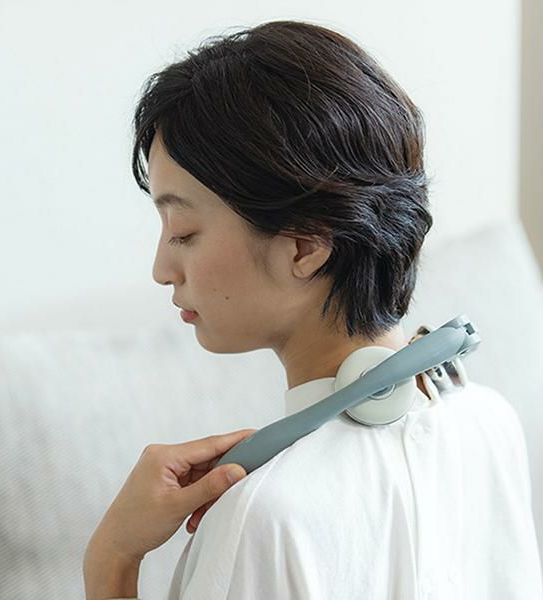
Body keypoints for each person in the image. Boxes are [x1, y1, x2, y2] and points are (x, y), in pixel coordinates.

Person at [125, 19, 542, 599]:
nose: (161, 268)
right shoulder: (490, 424)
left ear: (304, 246)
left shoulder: (261, 518)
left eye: (183, 231)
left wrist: (113, 561)